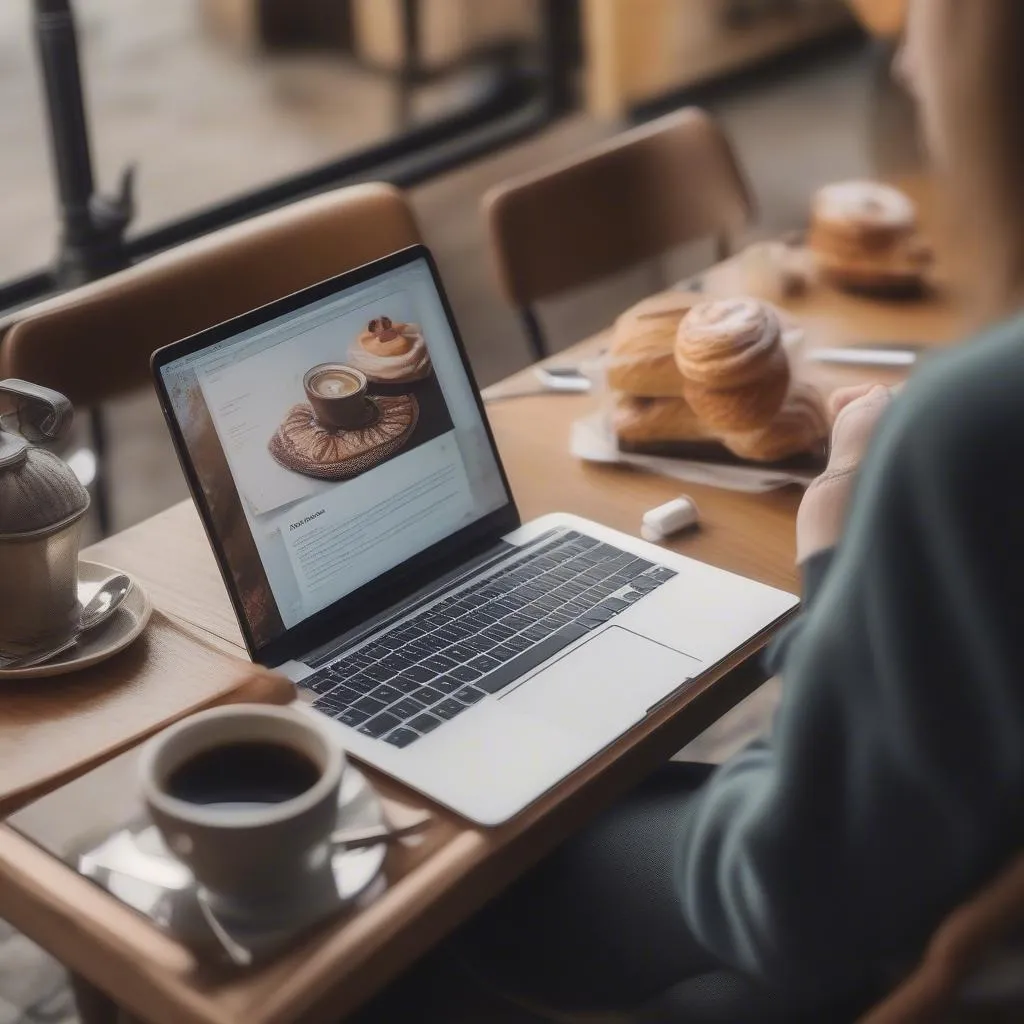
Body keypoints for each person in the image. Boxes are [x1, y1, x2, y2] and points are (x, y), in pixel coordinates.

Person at [455, 3, 1024, 1020]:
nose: (902, 64)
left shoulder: (973, 426)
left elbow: (792, 899)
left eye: (929, 14)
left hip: (920, 930)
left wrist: (836, 553)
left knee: (461, 882)